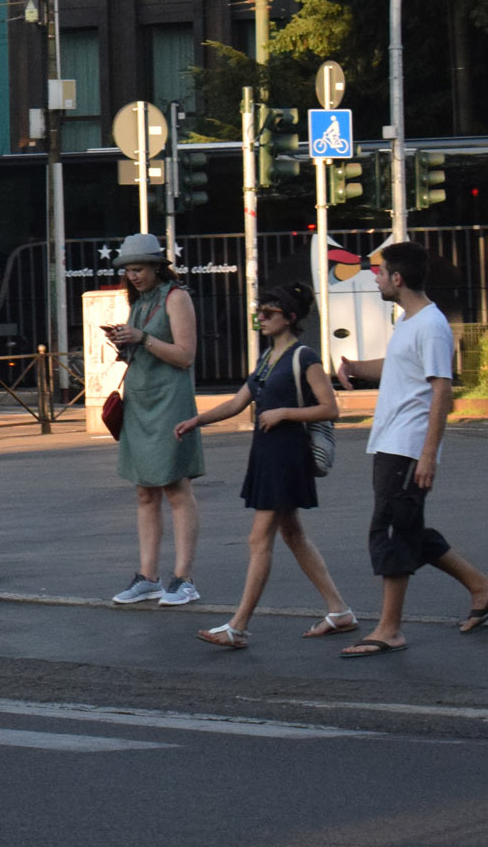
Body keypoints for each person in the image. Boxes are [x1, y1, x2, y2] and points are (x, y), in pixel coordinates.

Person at [331, 241, 488, 656]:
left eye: (379, 272)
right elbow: (399, 366)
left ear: (397, 278)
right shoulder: (410, 322)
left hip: (407, 447)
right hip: (393, 443)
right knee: (411, 528)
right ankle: (483, 588)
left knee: (392, 531)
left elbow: (441, 390)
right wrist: (357, 368)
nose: (374, 278)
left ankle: (390, 629)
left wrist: (428, 455)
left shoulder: (431, 325)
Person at [174, 284, 357, 648]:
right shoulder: (266, 358)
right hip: (267, 455)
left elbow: (331, 408)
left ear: (290, 317)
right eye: (260, 312)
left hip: (287, 457)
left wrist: (285, 412)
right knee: (292, 535)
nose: (261, 318)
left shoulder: (304, 357)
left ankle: (238, 626)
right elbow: (239, 401)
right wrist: (197, 421)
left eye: (269, 313)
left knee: (260, 539)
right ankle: (339, 611)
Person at [103, 235, 204, 607]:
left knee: (176, 488)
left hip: (170, 400)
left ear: (158, 266)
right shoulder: (140, 301)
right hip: (141, 399)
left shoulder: (176, 297)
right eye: (129, 270)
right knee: (144, 490)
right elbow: (145, 349)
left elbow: (185, 355)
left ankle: (184, 578)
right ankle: (148, 576)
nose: (133, 276)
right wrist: (124, 342)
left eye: (140, 269)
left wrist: (142, 337)